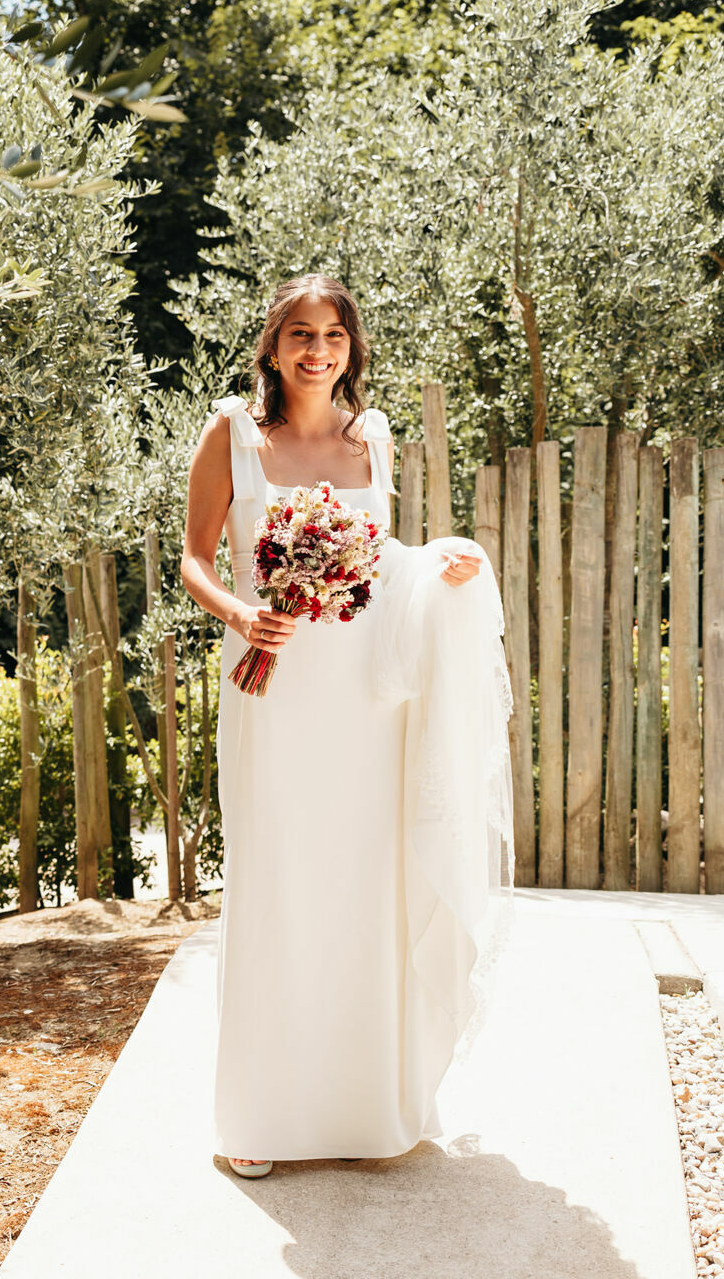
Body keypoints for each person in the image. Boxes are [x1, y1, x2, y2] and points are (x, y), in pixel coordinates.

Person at [179, 274, 516, 1178]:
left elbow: (380, 563)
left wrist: (443, 565)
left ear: (351, 348)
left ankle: (366, 1113)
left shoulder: (374, 438)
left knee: (367, 880)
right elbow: (193, 559)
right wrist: (244, 618)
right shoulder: (233, 434)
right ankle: (260, 1121)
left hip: (369, 694)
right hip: (276, 687)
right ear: (273, 344)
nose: (317, 349)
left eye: (333, 333)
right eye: (299, 333)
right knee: (281, 879)